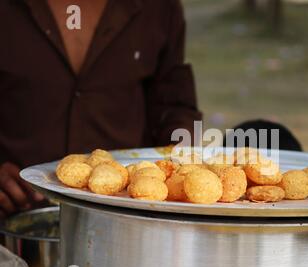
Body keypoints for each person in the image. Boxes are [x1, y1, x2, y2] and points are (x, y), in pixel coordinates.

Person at [0, 0, 202, 219]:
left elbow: (175, 107)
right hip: (16, 218)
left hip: (128, 222)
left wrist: (181, 160)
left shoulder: (159, 8)